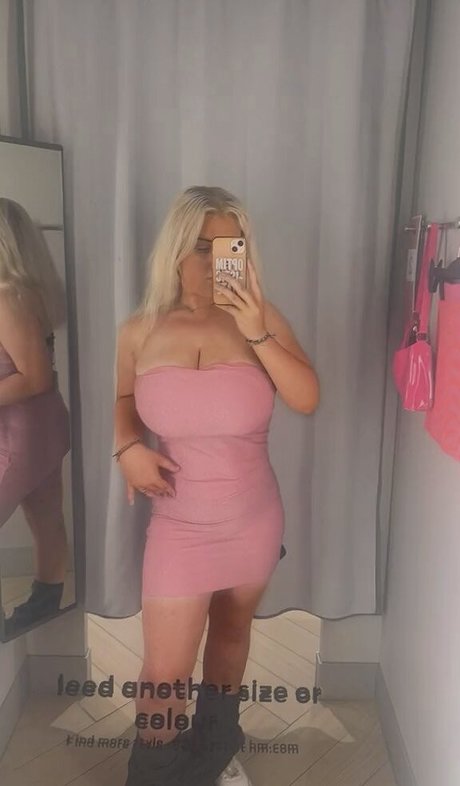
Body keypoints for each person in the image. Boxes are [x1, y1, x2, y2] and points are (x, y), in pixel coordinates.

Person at [113, 185, 320, 786]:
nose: (216, 260)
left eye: (232, 246)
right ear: (175, 248)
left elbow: (307, 398)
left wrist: (256, 330)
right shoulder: (139, 331)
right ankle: (156, 774)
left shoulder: (262, 318)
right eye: (203, 246)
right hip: (179, 524)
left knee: (230, 638)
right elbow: (124, 399)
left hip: (252, 518)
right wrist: (126, 449)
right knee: (163, 675)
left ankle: (216, 749)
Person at [0, 198, 70, 636]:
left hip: (21, 434)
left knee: (45, 518)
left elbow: (35, 377)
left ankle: (38, 613)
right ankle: (43, 612)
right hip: (40, 427)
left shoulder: (7, 296)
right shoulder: (23, 291)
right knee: (45, 517)